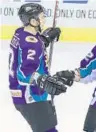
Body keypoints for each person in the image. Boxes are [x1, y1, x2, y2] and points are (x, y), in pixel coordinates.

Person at [8, 3, 68, 132]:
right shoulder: (32, 44)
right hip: (31, 95)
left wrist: (44, 39)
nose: (44, 19)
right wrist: (43, 80)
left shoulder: (20, 33)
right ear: (33, 20)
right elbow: (23, 74)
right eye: (41, 17)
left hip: (22, 94)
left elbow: (27, 49)